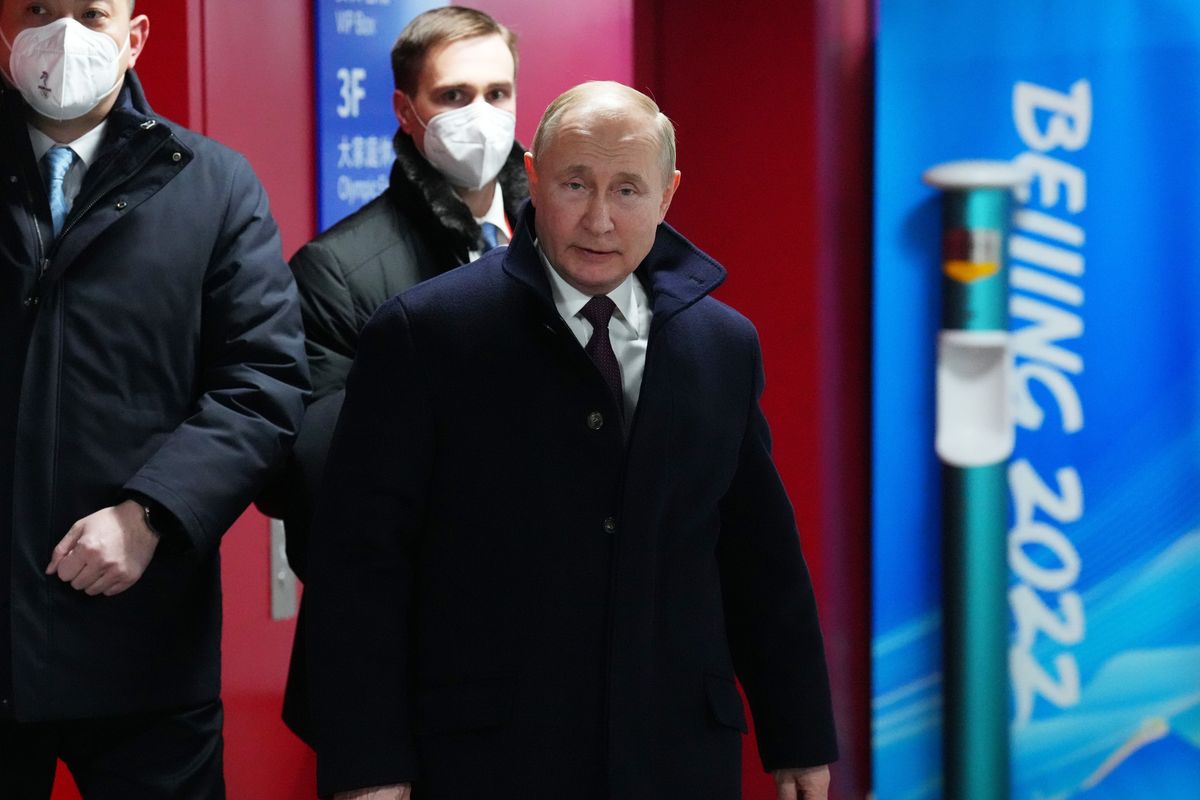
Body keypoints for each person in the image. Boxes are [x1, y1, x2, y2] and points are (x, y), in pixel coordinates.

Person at [304, 81, 838, 800]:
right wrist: (368, 763)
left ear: (667, 195)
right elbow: (361, 565)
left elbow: (758, 557)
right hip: (486, 757)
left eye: (627, 190)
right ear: (532, 177)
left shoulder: (723, 346)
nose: (598, 219)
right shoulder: (425, 335)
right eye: (575, 184)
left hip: (675, 755)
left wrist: (797, 730)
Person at [0, 1, 309, 797]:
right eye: (39, 8)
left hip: (143, 648)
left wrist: (151, 515)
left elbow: (264, 381)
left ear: (133, 37)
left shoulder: (213, 185)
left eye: (92, 12)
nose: (64, 34)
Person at [265, 5, 528, 743]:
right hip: (407, 663)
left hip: (546, 657)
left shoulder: (571, 253)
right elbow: (323, 485)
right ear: (406, 111)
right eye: (453, 96)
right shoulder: (336, 272)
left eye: (497, 93)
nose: (481, 114)